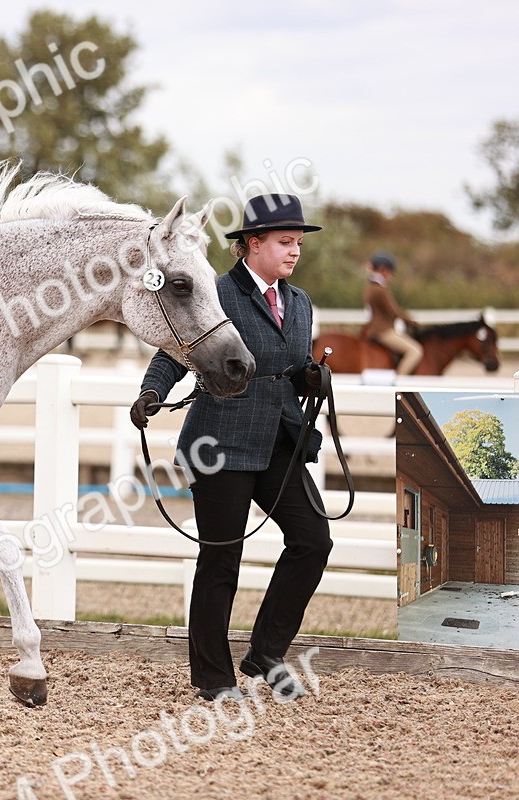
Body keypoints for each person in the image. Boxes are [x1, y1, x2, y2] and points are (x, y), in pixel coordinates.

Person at [130, 193, 332, 702]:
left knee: (313, 541)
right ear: (252, 244)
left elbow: (292, 363)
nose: (294, 252)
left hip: (279, 441)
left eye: (298, 244)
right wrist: (152, 392)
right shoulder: (217, 291)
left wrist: (312, 375)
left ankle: (266, 652)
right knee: (222, 559)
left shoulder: (300, 301)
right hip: (219, 443)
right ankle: (214, 676)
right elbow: (177, 351)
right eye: (285, 242)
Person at [363, 251, 422, 374]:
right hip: (383, 331)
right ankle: (399, 381)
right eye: (389, 272)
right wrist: (411, 321)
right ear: (383, 269)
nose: (389, 275)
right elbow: (393, 311)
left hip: (376, 328)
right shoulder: (379, 289)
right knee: (415, 351)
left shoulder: (370, 286)